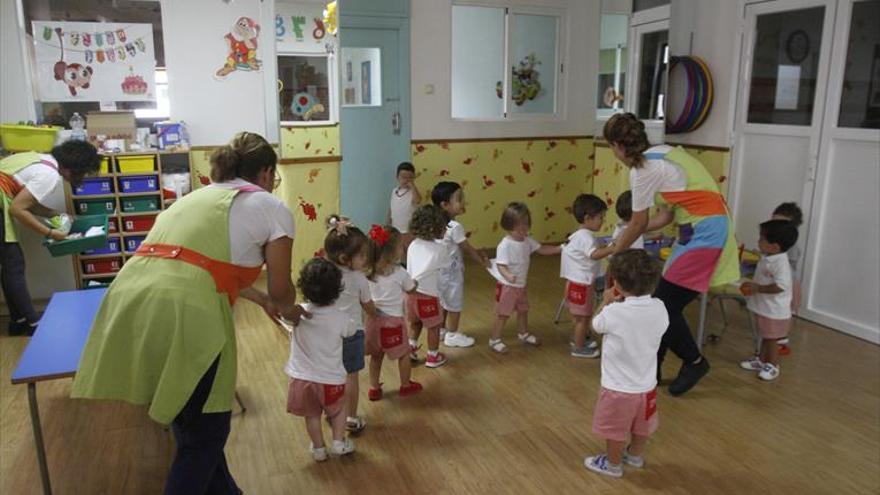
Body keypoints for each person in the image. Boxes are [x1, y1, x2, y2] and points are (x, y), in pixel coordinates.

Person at [71, 132, 304, 494]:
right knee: (207, 432)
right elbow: (281, 289)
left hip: (131, 295)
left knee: (189, 415)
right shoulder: (272, 207)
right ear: (266, 173)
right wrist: (292, 309)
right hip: (185, 309)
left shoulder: (200, 196)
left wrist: (262, 302)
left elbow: (203, 264)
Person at [604, 113, 740, 396]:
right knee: (661, 301)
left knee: (663, 305)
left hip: (706, 232)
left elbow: (639, 222)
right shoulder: (664, 153)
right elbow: (664, 215)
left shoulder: (642, 169)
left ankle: (694, 361)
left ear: (617, 146)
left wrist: (616, 252)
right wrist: (628, 233)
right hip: (698, 229)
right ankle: (652, 367)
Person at [0, 141, 101, 335]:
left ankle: (17, 320)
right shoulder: (49, 175)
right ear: (73, 167)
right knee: (14, 265)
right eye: (82, 172)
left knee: (9, 264)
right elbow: (18, 209)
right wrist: (50, 233)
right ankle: (33, 323)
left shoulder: (41, 159)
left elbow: (26, 201)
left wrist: (52, 213)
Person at [584, 249, 668, 478]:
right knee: (643, 426)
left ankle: (612, 465)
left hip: (618, 389)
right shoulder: (660, 307)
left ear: (617, 285)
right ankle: (635, 456)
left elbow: (595, 325)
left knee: (615, 430)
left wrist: (606, 301)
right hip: (647, 386)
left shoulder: (615, 313)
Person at [285, 258, 356, 461]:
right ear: (337, 289)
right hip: (330, 380)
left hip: (302, 380)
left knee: (312, 415)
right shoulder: (340, 317)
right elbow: (350, 331)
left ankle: (318, 449)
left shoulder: (299, 313)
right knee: (339, 408)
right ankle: (338, 442)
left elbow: (285, 317)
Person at [323, 215, 375, 434]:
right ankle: (351, 418)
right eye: (362, 255)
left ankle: (331, 412)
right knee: (351, 376)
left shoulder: (326, 274)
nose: (365, 259)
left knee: (329, 374)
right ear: (345, 258)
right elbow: (368, 306)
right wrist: (377, 314)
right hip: (352, 333)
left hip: (326, 334)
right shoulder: (359, 279)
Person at [489, 202, 561, 354]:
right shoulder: (505, 245)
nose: (523, 229)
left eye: (526, 224)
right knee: (503, 313)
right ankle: (495, 339)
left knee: (523, 310)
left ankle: (523, 333)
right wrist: (508, 275)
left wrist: (560, 249)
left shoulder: (527, 240)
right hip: (508, 286)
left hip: (521, 285)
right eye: (519, 226)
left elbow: (542, 249)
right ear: (508, 226)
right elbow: (500, 265)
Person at [365, 224, 423, 400]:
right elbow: (411, 289)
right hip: (393, 323)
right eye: (400, 246)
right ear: (392, 252)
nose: (403, 248)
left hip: (372, 322)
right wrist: (416, 284)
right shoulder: (400, 273)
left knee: (376, 356)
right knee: (404, 353)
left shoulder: (367, 274)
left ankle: (374, 388)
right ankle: (405, 385)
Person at [739, 220, 798, 382]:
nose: (758, 241)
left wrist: (758, 289)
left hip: (775, 311)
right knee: (765, 335)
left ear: (775, 247)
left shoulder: (781, 264)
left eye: (762, 239)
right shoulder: (768, 258)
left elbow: (781, 286)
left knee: (772, 338)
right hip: (765, 308)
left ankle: (773, 365)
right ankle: (762, 360)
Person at [432, 181, 489, 348]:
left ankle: (441, 330)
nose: (463, 202)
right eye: (459, 199)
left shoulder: (436, 224)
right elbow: (466, 247)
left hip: (439, 272)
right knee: (454, 303)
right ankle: (453, 333)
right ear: (445, 204)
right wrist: (482, 261)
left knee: (443, 301)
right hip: (452, 273)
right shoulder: (454, 226)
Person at [561, 194, 615, 359]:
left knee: (578, 318)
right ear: (587, 218)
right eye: (600, 217)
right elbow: (594, 255)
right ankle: (578, 347)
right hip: (582, 285)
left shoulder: (578, 235)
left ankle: (578, 340)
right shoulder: (586, 237)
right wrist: (613, 248)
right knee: (583, 319)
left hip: (573, 283)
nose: (603, 221)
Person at [406, 204, 451, 368]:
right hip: (429, 297)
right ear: (434, 228)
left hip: (410, 296)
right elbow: (447, 265)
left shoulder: (413, 245)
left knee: (415, 323)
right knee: (434, 327)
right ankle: (433, 356)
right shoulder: (440, 249)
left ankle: (410, 349)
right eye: (444, 227)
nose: (446, 230)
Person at [771, 202, 803, 355]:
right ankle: (774, 335)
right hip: (776, 279)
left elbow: (787, 266)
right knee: (774, 308)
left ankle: (781, 337)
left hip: (788, 282)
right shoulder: (772, 240)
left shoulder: (791, 245)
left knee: (783, 310)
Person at [387, 162, 421, 246]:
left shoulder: (412, 192)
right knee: (398, 248)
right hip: (395, 227)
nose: (407, 180)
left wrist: (413, 186)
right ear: (397, 177)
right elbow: (391, 207)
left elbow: (417, 200)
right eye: (404, 177)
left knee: (408, 247)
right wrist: (388, 221)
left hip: (408, 229)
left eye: (410, 178)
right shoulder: (394, 191)